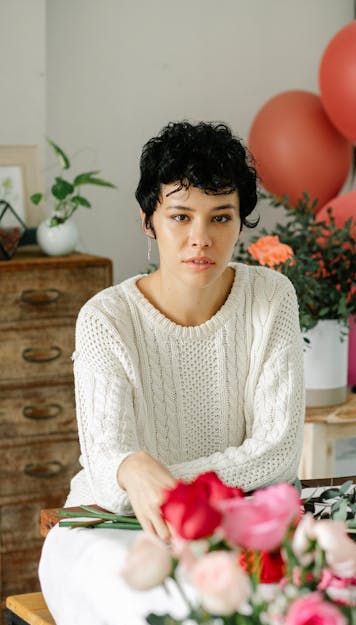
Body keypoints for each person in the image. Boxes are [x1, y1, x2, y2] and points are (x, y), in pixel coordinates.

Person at [67, 120, 304, 540]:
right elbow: (108, 470)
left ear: (240, 222)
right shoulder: (106, 319)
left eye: (220, 218)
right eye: (180, 216)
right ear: (148, 221)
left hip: (237, 518)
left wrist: (140, 475)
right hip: (118, 528)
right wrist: (124, 471)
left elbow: (279, 454)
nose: (201, 238)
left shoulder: (270, 297)